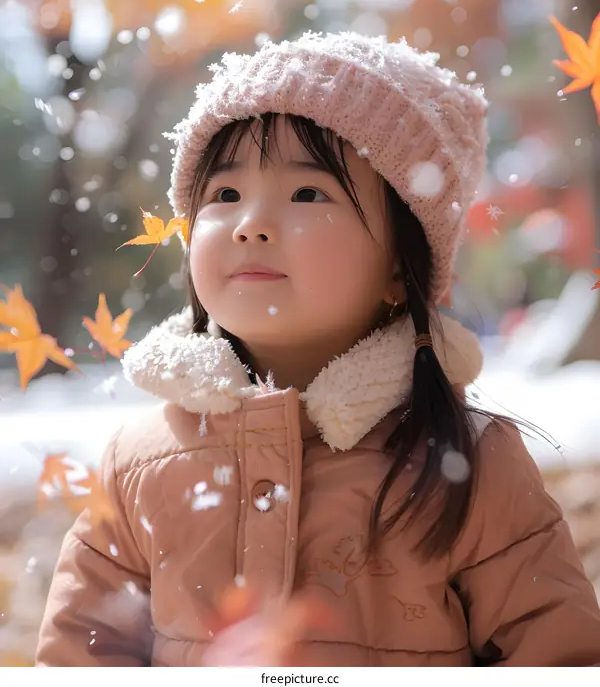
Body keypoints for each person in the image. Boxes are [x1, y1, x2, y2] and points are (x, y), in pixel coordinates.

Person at [36, 32, 600, 666]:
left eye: (308, 193)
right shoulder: (140, 463)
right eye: (224, 195)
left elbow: (559, 660)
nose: (250, 221)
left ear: (399, 267)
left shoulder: (470, 463)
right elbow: (83, 656)